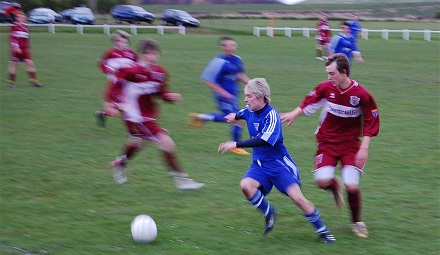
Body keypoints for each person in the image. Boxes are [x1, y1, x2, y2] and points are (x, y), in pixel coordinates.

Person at [218, 78, 336, 243]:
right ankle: (269, 212)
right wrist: (232, 116)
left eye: (249, 96)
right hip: (260, 165)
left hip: (280, 165)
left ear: (260, 97)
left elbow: (264, 140)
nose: (245, 99)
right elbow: (241, 113)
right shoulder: (248, 110)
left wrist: (235, 143)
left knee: (298, 199)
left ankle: (324, 232)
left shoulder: (271, 115)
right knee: (246, 186)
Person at [280, 53, 380, 238]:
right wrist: (294, 113)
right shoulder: (326, 88)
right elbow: (310, 102)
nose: (328, 77)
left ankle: (357, 222)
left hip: (351, 146)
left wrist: (364, 148)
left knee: (352, 186)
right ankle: (333, 185)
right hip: (327, 143)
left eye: (332, 73)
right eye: (327, 73)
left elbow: (371, 121)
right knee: (322, 181)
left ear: (343, 72)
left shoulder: (361, 95)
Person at [110, 38, 204, 191]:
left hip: (148, 114)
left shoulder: (160, 73)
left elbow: (159, 92)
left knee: (138, 142)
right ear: (142, 55)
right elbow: (116, 83)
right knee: (167, 143)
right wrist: (114, 102)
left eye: (154, 53)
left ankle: (119, 164)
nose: (151, 57)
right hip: (134, 115)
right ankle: (182, 180)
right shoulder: (132, 70)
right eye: (147, 54)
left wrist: (169, 96)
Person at [189, 36, 250, 155]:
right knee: (237, 119)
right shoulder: (218, 61)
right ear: (222, 47)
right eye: (226, 45)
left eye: (232, 45)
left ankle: (201, 117)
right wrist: (221, 92)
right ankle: (235, 146)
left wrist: (252, 84)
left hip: (233, 94)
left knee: (234, 118)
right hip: (223, 96)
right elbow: (207, 79)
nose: (229, 48)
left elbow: (239, 74)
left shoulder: (237, 59)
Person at [95, 30, 138, 127]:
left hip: (128, 84)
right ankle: (132, 130)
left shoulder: (132, 54)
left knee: (123, 107)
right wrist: (108, 69)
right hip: (115, 84)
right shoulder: (111, 53)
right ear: (115, 42)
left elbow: (138, 66)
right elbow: (101, 62)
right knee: (120, 108)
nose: (122, 44)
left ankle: (102, 114)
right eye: (119, 41)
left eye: (125, 42)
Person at [7, 12, 43, 88]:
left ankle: (34, 82)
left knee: (30, 64)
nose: (22, 18)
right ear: (17, 18)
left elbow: (26, 39)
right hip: (16, 50)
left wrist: (27, 47)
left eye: (23, 17)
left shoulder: (25, 27)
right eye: (20, 17)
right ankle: (11, 82)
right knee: (14, 66)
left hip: (25, 49)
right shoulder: (14, 26)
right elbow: (12, 38)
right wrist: (16, 47)